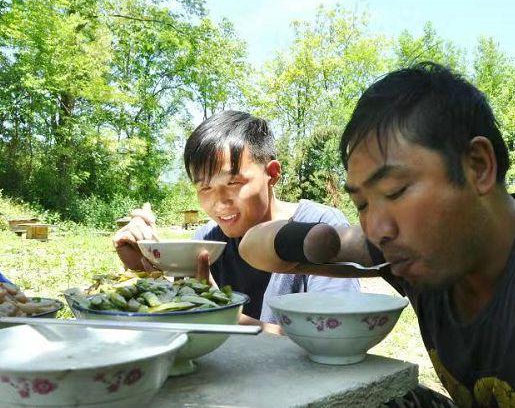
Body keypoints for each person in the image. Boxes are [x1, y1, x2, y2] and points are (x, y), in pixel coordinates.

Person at [239, 62, 515, 407]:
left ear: (478, 166)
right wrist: (325, 241)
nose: (379, 228)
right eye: (363, 204)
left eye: (396, 191)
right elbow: (254, 247)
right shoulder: (415, 256)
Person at [113, 111, 359, 333]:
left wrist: (217, 311)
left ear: (272, 174)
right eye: (205, 187)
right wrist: (148, 272)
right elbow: (182, 326)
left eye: (233, 183)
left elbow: (335, 334)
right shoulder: (205, 243)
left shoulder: (318, 227)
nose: (219, 203)